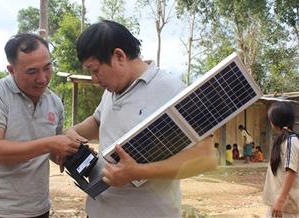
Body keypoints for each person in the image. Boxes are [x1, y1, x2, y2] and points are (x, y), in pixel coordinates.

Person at [66, 20, 218, 218]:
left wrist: (138, 172)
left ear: (119, 56)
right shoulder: (112, 91)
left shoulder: (171, 89)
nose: (94, 79)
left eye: (95, 70)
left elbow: (205, 157)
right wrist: (70, 134)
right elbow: (97, 121)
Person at [0, 33, 81, 218]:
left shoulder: (54, 102)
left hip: (38, 208)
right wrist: (51, 143)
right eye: (32, 71)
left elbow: (50, 151)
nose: (42, 78)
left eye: (47, 68)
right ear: (11, 70)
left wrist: (69, 152)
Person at [262, 101, 298, 218]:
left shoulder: (291, 142)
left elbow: (291, 171)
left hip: (285, 206)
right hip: (278, 203)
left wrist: (281, 199)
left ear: (275, 121)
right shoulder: (284, 140)